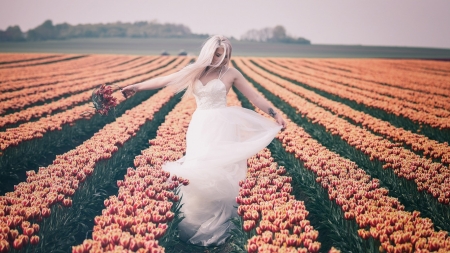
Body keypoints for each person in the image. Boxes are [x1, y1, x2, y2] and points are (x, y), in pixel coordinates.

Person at [121, 35, 286, 246]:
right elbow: (164, 80)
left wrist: (275, 113)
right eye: (217, 54)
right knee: (198, 169)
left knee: (219, 171)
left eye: (224, 55)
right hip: (200, 125)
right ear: (208, 51)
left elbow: (254, 97)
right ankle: (193, 221)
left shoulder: (231, 73)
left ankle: (221, 225)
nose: (220, 58)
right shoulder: (195, 70)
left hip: (222, 125)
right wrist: (136, 86)